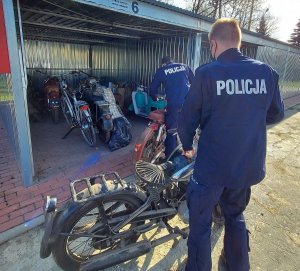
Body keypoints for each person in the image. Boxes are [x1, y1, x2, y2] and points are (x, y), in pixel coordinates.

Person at [178, 18, 284, 271]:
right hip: (246, 166)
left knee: (200, 225)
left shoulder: (206, 73)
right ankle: (237, 266)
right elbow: (276, 114)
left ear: (213, 44)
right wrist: (248, 121)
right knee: (234, 216)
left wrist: (186, 146)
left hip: (211, 169)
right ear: (239, 42)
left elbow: (187, 117)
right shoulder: (266, 72)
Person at [149, 56, 194, 158]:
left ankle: (170, 159)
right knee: (186, 128)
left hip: (174, 104)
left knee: (172, 130)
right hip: (189, 103)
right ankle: (187, 152)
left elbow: (152, 89)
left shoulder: (162, 70)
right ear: (172, 61)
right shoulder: (184, 66)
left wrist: (155, 98)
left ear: (163, 63)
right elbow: (194, 83)